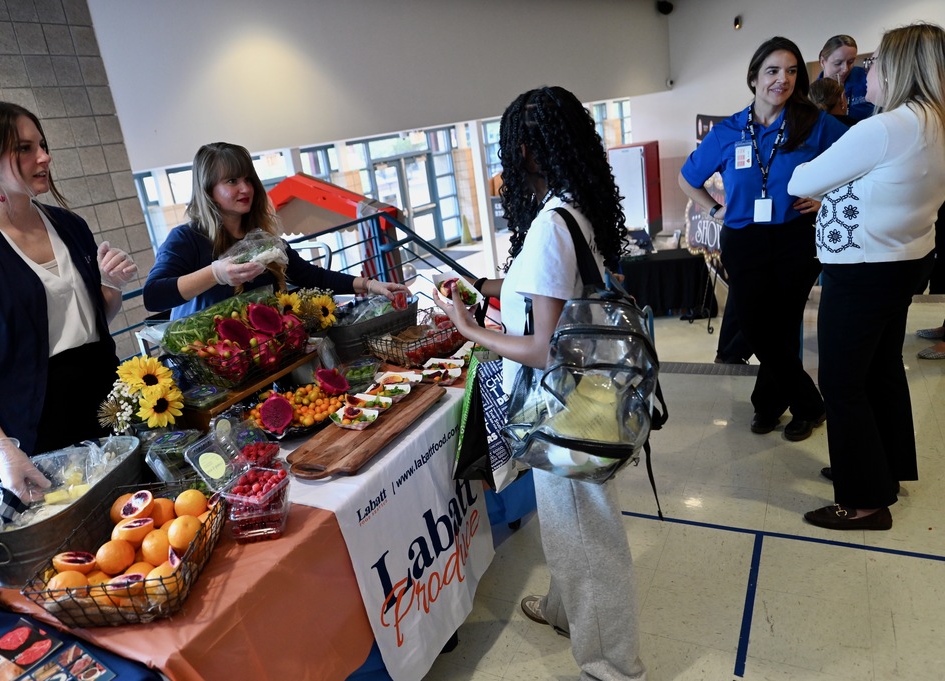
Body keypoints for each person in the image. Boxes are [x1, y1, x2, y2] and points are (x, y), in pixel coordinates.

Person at [434, 86, 645, 681]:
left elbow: (541, 347)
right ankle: (562, 609)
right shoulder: (579, 209)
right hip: (588, 396)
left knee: (587, 536)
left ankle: (613, 667)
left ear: (525, 148)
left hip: (565, 410)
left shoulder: (552, 224)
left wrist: (470, 330)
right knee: (570, 526)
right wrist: (502, 311)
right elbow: (553, 317)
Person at [0, 100, 138, 503]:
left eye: (41, 144)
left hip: (100, 400)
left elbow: (87, 323)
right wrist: (1, 446)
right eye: (23, 148)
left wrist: (111, 286)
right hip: (24, 425)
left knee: (133, 524)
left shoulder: (69, 225)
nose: (43, 157)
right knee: (65, 551)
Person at [788, 22, 945, 530]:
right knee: (880, 370)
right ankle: (883, 469)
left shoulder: (884, 127)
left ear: (898, 67)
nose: (864, 72)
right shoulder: (935, 121)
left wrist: (832, 182)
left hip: (864, 269)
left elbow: (802, 179)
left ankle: (864, 501)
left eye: (873, 62)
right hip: (905, 260)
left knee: (841, 381)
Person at [679, 37, 848, 441]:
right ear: (754, 77)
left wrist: (827, 199)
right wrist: (715, 210)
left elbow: (856, 163)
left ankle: (771, 405)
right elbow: (688, 179)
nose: (783, 80)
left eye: (792, 71)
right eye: (773, 71)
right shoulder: (728, 131)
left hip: (795, 238)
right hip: (743, 238)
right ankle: (810, 404)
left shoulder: (813, 122)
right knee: (755, 328)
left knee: (784, 325)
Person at [143, 142, 408, 319]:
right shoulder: (186, 239)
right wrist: (216, 272)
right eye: (232, 181)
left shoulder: (261, 239)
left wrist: (370, 284)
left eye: (249, 179)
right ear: (208, 190)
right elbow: (154, 296)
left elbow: (307, 274)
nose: (246, 189)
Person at [817, 34, 875, 121]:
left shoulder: (866, 77)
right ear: (822, 62)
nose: (845, 69)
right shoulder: (814, 93)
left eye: (851, 62)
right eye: (838, 63)